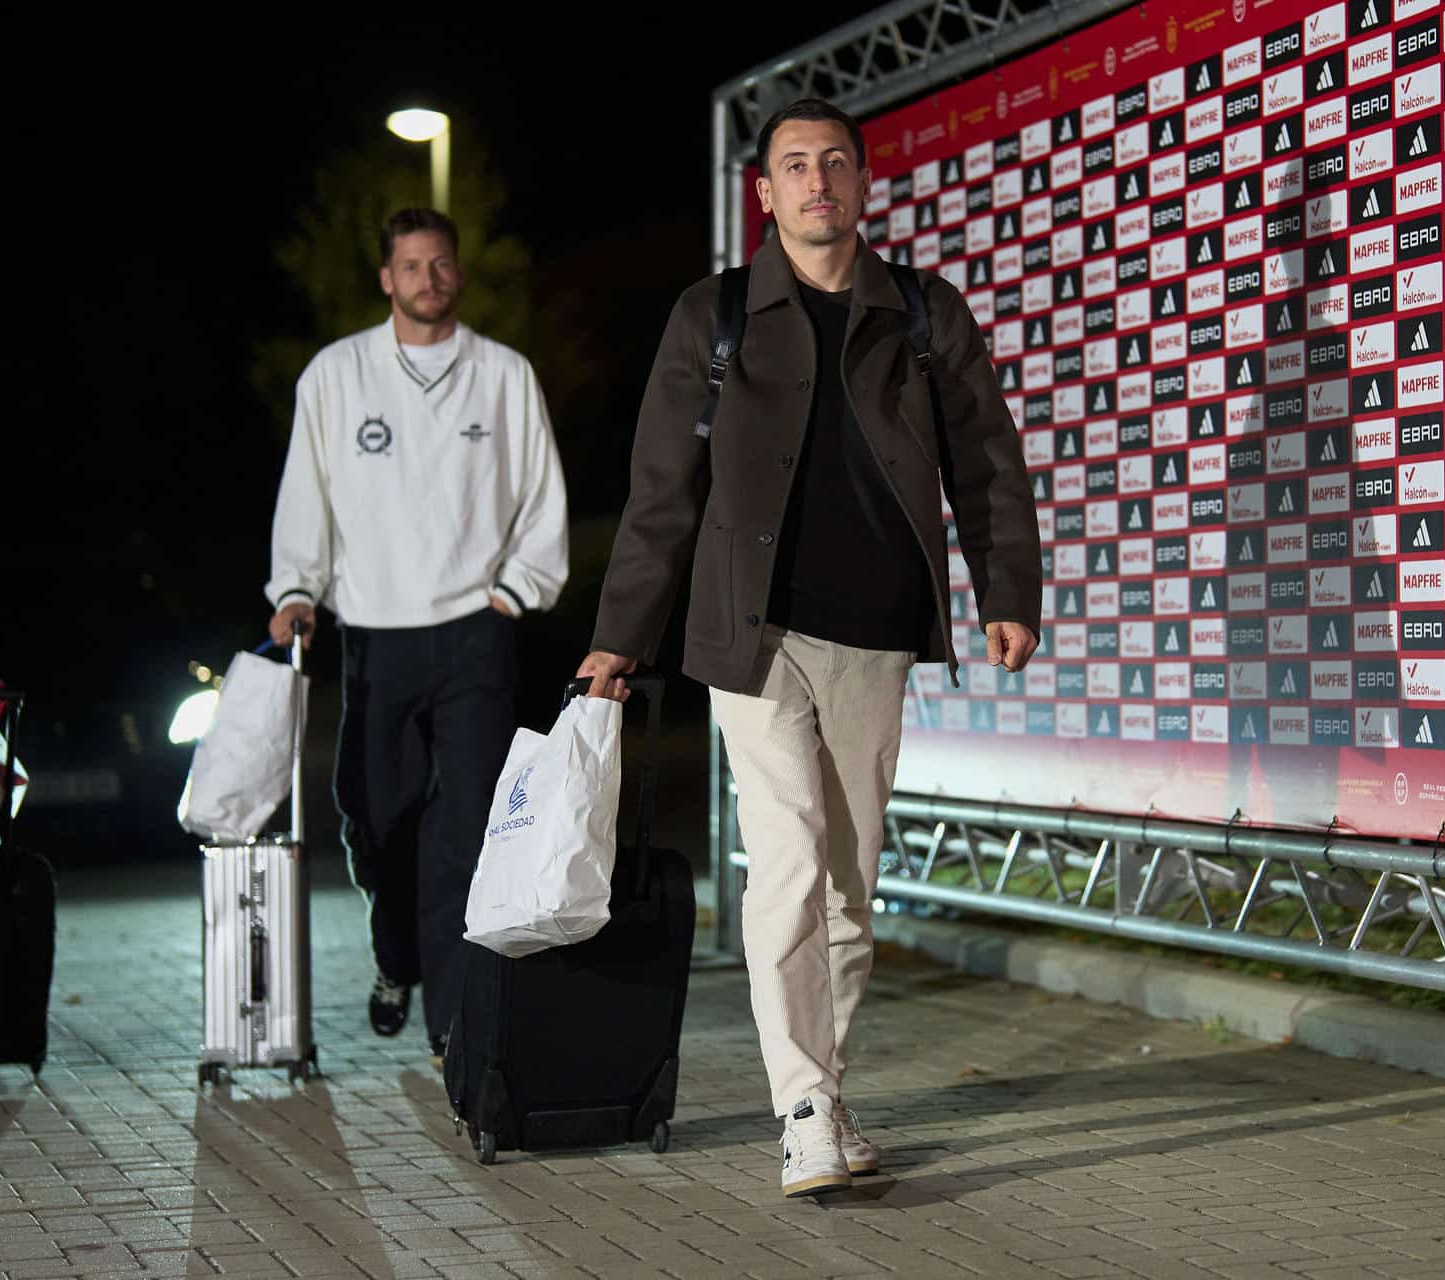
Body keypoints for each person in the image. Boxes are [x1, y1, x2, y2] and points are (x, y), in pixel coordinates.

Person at [576, 99, 1040, 1197]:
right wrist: (617, 640)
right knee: (785, 858)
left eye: (835, 161)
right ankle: (801, 1108)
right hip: (753, 636)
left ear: (865, 183)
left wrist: (1004, 586)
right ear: (767, 194)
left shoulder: (923, 312)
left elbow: (987, 457)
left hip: (875, 633)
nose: (818, 179)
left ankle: (824, 1090)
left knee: (846, 881)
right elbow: (660, 491)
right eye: (796, 164)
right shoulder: (716, 314)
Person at [267, 208, 569, 1062]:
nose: (428, 281)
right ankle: (395, 956)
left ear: (458, 274)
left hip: (478, 632)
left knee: (466, 829)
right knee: (374, 819)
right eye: (411, 267)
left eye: (441, 265)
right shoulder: (336, 374)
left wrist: (516, 592)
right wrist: (297, 589)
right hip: (375, 634)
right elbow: (307, 494)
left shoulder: (505, 375)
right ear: (386, 278)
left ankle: (452, 1023)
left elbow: (542, 497)